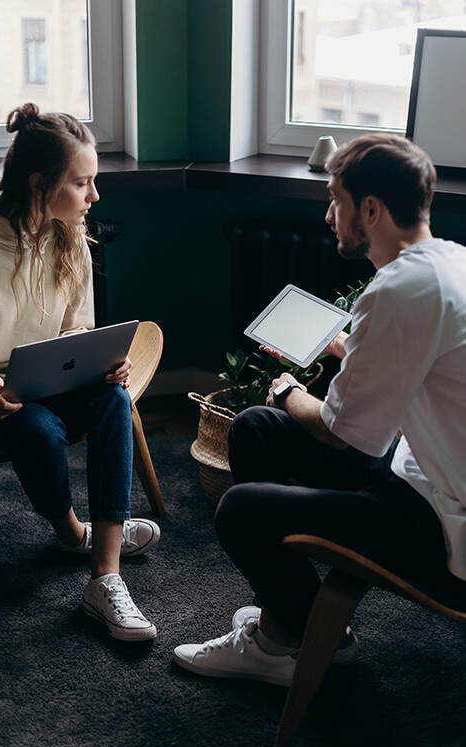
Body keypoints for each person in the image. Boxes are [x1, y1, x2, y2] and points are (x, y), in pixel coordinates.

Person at [173, 133, 466, 685]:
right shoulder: (449, 264)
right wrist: (342, 345)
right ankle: (292, 624)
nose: (330, 215)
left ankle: (300, 638)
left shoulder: (398, 290)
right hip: (417, 470)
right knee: (257, 429)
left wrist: (288, 390)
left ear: (371, 209)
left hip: (439, 522)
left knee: (239, 508)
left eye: (336, 199)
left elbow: (338, 434)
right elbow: (412, 359)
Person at [0, 103, 160, 642]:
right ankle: (71, 532)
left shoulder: (70, 236)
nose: (94, 196)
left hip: (44, 385)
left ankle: (104, 578)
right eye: (82, 183)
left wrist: (101, 362)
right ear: (39, 184)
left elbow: (73, 334)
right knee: (37, 427)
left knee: (113, 400)